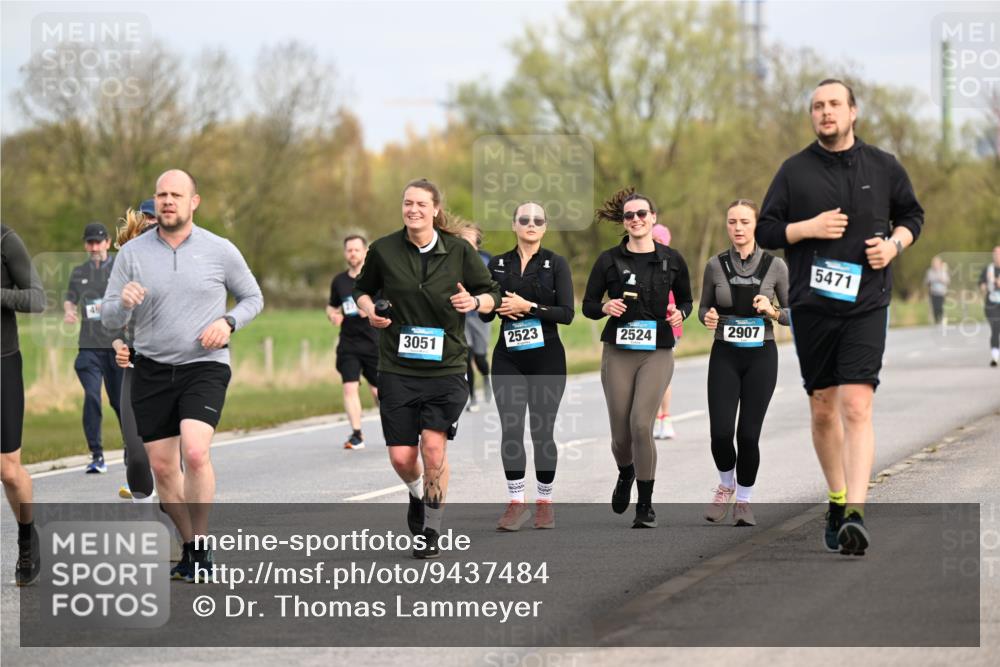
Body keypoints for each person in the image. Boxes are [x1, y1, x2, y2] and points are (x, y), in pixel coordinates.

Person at [756, 79, 924, 556]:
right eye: (817, 106)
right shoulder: (794, 171)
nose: (825, 112)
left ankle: (855, 511)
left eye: (834, 104)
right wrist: (806, 228)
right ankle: (834, 498)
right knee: (824, 408)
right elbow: (768, 230)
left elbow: (912, 216)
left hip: (867, 303)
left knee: (856, 405)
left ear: (853, 112)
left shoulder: (884, 166)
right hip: (812, 306)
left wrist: (894, 245)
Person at [102, 169, 264, 582]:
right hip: (152, 369)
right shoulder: (132, 254)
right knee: (162, 468)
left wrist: (228, 323)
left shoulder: (220, 249)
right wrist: (122, 303)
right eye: (161, 195)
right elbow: (107, 318)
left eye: (176, 194)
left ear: (195, 201)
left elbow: (253, 297)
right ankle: (190, 547)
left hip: (204, 365)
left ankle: (204, 549)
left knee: (194, 452)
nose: (167, 201)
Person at [353, 178, 500, 558]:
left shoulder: (458, 251)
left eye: (421, 203)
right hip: (398, 367)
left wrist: (476, 301)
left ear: (435, 209)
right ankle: (417, 494)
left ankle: (430, 530)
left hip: (446, 366)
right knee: (403, 457)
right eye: (407, 203)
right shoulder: (383, 250)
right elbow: (362, 290)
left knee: (433, 449)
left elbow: (492, 294)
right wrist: (371, 312)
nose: (413, 209)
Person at [583, 188, 693, 529]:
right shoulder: (608, 260)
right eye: (629, 216)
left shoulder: (672, 259)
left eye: (641, 214)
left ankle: (645, 505)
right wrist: (604, 307)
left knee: (642, 424)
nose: (635, 220)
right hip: (618, 350)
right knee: (620, 434)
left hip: (657, 350)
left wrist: (681, 315)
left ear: (653, 218)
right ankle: (625, 472)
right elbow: (588, 305)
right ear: (624, 222)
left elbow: (687, 301)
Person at [481, 202, 574, 531]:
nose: (531, 224)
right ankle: (516, 502)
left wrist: (528, 306)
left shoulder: (556, 264)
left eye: (537, 220)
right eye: (525, 219)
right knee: (510, 427)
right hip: (508, 356)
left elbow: (566, 313)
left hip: (547, 356)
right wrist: (490, 305)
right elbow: (484, 312)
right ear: (514, 224)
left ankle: (545, 502)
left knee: (541, 430)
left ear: (545, 227)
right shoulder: (498, 264)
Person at [699, 199, 790, 527]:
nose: (737, 228)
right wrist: (707, 317)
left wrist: (773, 310)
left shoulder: (776, 267)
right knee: (721, 433)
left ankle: (744, 502)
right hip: (724, 355)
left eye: (744, 222)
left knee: (748, 436)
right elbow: (703, 308)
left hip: (761, 357)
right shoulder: (715, 265)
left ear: (756, 225)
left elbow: (794, 316)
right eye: (732, 222)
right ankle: (726, 485)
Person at [1, 225, 45, 586]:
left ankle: (28, 538)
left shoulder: (5, 240)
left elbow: (36, 299)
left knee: (7, 470)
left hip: (2, 363)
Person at [63, 222, 124, 473]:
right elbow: (70, 299)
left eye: (99, 242)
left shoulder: (120, 269)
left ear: (108, 243)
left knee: (120, 403)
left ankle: (132, 448)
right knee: (91, 396)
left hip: (116, 346)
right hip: (88, 348)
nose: (94, 247)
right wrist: (69, 312)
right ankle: (97, 455)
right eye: (90, 242)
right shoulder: (79, 272)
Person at [109, 206, 158, 501]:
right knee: (137, 456)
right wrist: (120, 348)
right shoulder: (124, 273)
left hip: (173, 371)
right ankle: (145, 504)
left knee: (169, 458)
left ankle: (177, 518)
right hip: (135, 371)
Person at [326, 234, 380, 449]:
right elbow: (331, 305)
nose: (353, 254)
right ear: (345, 253)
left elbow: (388, 303)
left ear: (365, 252)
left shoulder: (374, 279)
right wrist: (333, 315)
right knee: (349, 387)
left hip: (373, 342)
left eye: (357, 250)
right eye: (349, 250)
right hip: (348, 343)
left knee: (379, 392)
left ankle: (394, 426)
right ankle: (356, 434)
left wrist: (370, 309)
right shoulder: (339, 281)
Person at [651, 223, 682, 439]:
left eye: (659, 241)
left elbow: (684, 298)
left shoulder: (672, 264)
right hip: (644, 326)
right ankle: (651, 420)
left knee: (663, 376)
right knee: (645, 377)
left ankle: (665, 418)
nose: (655, 244)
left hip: (669, 326)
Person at [459, 223, 492, 413]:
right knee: (466, 356)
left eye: (470, 239)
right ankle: (472, 397)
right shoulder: (453, 260)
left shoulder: (487, 259)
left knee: (480, 357)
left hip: (480, 316)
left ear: (477, 242)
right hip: (461, 316)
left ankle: (486, 375)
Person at [979, 246, 1000, 367]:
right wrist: (987, 286)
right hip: (991, 305)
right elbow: (981, 284)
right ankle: (995, 357)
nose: (997, 257)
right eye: (995, 254)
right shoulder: (988, 269)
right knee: (995, 328)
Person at [925, 255, 949, 325]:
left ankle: (942, 318)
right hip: (933, 292)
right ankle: (936, 321)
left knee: (940, 307)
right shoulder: (930, 271)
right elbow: (927, 281)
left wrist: (941, 278)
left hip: (941, 292)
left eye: (937, 263)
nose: (935, 265)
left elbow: (947, 281)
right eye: (934, 263)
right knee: (935, 307)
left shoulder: (943, 271)